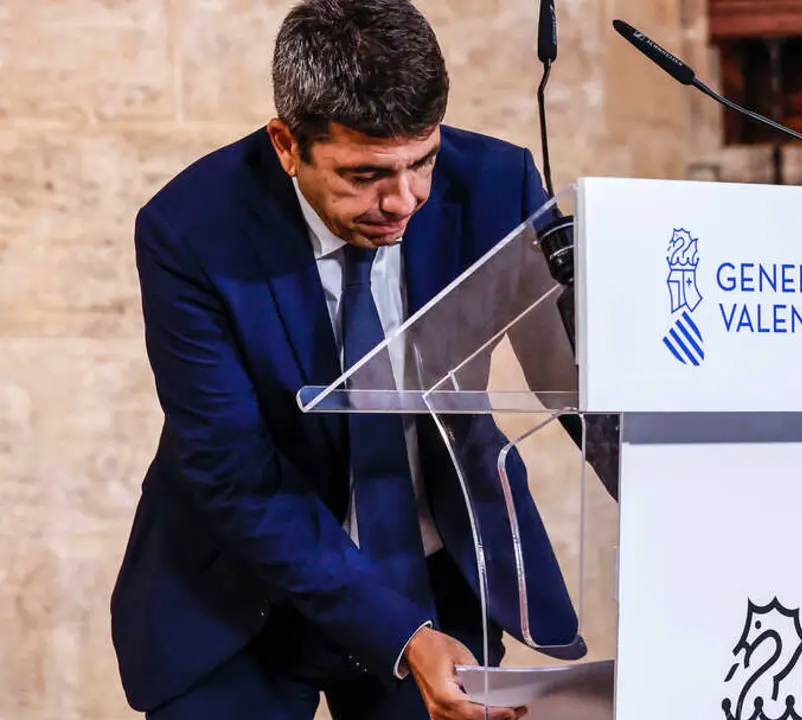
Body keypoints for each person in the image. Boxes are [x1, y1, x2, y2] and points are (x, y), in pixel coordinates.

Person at [109, 1, 585, 718]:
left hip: (433, 576)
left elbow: (587, 388)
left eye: (421, 160)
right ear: (286, 144)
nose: (405, 199)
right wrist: (403, 635)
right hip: (239, 598)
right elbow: (237, 478)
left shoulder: (497, 185)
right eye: (365, 175)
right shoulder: (188, 232)